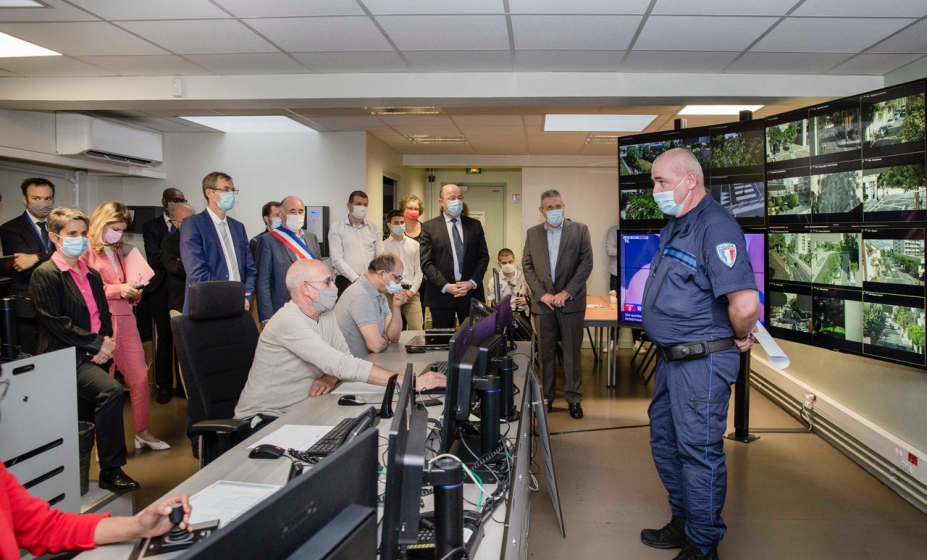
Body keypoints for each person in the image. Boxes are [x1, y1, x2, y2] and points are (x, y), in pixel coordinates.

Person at [639, 148, 759, 560]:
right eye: (654, 182)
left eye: (661, 182)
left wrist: (743, 336)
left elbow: (744, 305)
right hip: (673, 360)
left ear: (690, 180)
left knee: (698, 452)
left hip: (702, 361)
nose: (655, 190)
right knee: (666, 442)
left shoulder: (716, 226)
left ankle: (703, 546)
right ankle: (684, 522)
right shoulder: (677, 223)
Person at [233, 259, 445, 424]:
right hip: (267, 419)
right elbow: (342, 365)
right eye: (327, 282)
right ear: (306, 288)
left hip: (308, 407)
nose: (333, 286)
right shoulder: (288, 320)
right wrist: (410, 382)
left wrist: (329, 377)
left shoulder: (325, 314)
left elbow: (343, 359)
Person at [28, 208, 139, 491]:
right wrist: (97, 344)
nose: (78, 240)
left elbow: (101, 315)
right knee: (111, 391)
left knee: (85, 418)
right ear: (54, 238)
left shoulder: (88, 273)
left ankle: (78, 477)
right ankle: (111, 470)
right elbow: (55, 323)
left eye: (81, 234)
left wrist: (105, 344)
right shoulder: (46, 274)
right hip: (63, 356)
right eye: (71, 234)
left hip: (93, 354)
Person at [84, 201, 169, 451]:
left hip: (126, 317)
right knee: (106, 384)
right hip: (100, 322)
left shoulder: (118, 250)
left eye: (121, 229)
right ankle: (103, 442)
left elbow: (124, 284)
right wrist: (117, 289)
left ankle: (142, 431)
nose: (118, 234)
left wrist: (133, 292)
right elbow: (86, 290)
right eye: (114, 228)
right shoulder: (86, 251)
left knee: (140, 378)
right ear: (101, 222)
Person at [522, 189, 593, 420]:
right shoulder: (532, 233)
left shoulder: (580, 230)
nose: (554, 211)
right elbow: (528, 265)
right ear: (541, 211)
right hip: (543, 305)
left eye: (558, 206)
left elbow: (586, 264)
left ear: (564, 206)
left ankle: (574, 399)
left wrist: (566, 293)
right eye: (549, 207)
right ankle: (547, 398)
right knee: (545, 354)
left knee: (572, 354)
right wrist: (542, 295)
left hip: (570, 303)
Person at [180, 171, 256, 313]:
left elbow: (250, 269)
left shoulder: (238, 227)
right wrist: (229, 297)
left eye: (233, 190)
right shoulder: (193, 225)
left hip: (239, 305)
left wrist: (246, 296)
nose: (231, 194)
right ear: (209, 193)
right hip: (208, 305)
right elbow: (196, 271)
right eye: (226, 190)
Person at [419, 184, 489, 328]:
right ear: (441, 202)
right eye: (452, 198)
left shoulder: (474, 225)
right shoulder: (429, 227)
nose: (457, 201)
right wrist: (445, 286)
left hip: (470, 293)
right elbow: (426, 263)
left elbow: (483, 257)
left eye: (460, 198)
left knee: (474, 340)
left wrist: (472, 282)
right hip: (441, 295)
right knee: (442, 341)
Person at [0, 178, 56, 355]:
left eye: (48, 199)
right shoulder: (11, 228)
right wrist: (56, 260)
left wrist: (37, 256)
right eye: (37, 198)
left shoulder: (60, 226)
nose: (43, 203)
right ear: (25, 199)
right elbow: (25, 267)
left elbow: (73, 258)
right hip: (28, 306)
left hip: (58, 304)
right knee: (30, 360)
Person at [142, 187, 187, 404]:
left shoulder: (191, 230)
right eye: (173, 200)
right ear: (164, 202)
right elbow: (155, 258)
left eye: (181, 199)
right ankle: (164, 386)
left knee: (183, 338)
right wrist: (173, 262)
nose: (176, 202)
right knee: (165, 338)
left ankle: (182, 385)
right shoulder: (152, 227)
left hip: (181, 289)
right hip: (160, 289)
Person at [255, 196, 321, 324]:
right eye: (292, 211)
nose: (297, 215)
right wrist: (266, 317)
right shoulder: (268, 240)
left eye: (300, 211)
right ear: (281, 215)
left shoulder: (311, 237)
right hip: (283, 309)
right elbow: (263, 282)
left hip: (312, 308)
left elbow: (320, 273)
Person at [334, 253, 407, 358]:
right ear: (381, 274)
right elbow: (376, 346)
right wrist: (385, 338)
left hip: (368, 361)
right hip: (351, 367)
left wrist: (396, 307)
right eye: (397, 278)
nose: (398, 283)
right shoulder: (360, 295)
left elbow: (394, 337)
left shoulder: (380, 294)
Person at [328, 190, 383, 296]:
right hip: (346, 281)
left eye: (365, 205)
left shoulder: (374, 228)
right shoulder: (337, 228)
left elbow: (380, 257)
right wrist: (355, 278)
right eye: (358, 204)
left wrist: (374, 277)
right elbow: (337, 259)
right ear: (349, 206)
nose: (362, 207)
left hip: (371, 282)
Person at [383, 210, 423, 330]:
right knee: (392, 328)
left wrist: (412, 292)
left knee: (417, 328)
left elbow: (419, 270)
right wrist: (393, 290)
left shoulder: (415, 245)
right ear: (389, 225)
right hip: (390, 294)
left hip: (411, 293)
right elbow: (381, 273)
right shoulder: (382, 246)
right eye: (396, 223)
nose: (400, 225)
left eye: (402, 222)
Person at [162, 204, 195, 315]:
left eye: (194, 217)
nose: (192, 221)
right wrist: (197, 265)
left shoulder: (204, 239)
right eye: (186, 219)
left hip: (202, 299)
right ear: (175, 223)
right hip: (180, 301)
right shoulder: (168, 242)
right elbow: (174, 267)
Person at [485, 248, 528, 316]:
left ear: (514, 261)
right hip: (502, 315)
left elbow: (534, 297)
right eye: (504, 263)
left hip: (520, 314)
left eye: (510, 262)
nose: (508, 265)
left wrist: (527, 301)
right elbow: (490, 302)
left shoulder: (524, 277)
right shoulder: (494, 280)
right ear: (499, 264)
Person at [606, 223, 620, 292]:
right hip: (616, 273)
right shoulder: (613, 230)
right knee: (614, 299)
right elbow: (610, 251)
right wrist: (627, 248)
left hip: (635, 272)